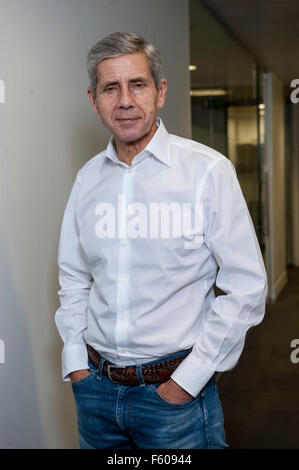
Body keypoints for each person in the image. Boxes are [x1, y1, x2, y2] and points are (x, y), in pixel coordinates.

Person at [55, 32, 268, 449]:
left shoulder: (207, 172)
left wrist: (186, 382)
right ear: (93, 99)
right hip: (96, 392)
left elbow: (247, 287)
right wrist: (76, 364)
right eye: (110, 88)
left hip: (175, 398)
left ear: (161, 91)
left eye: (137, 84)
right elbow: (74, 279)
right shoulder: (88, 180)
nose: (125, 100)